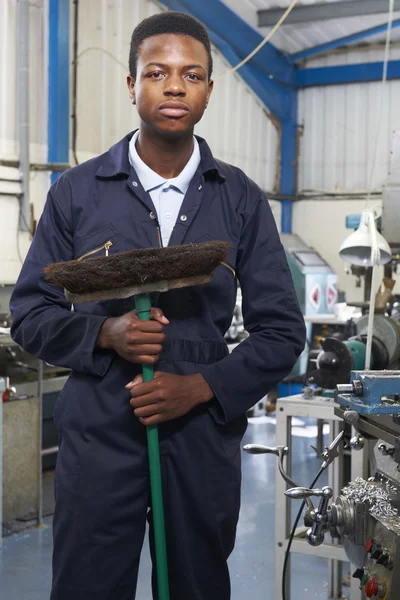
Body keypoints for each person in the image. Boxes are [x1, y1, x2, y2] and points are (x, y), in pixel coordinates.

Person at [10, 11, 306, 600]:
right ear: (131, 85)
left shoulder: (242, 199)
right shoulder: (76, 192)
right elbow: (29, 313)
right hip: (100, 425)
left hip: (200, 430)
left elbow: (282, 332)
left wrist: (200, 388)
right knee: (87, 585)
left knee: (196, 584)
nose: (175, 86)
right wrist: (106, 334)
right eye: (157, 72)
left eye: (191, 75)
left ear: (209, 91)